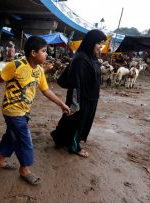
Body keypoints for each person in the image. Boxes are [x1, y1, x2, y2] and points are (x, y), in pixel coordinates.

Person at [0, 36, 71, 185]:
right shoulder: (16, 65)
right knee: (24, 139)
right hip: (12, 110)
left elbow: (46, 91)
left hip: (24, 110)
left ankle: (0, 161)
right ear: (33, 53)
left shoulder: (39, 70)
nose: (47, 55)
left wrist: (61, 104)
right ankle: (24, 170)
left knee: (11, 135)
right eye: (44, 51)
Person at [50, 29, 107, 158]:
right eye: (99, 43)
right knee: (78, 122)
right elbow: (76, 84)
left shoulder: (91, 57)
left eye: (102, 43)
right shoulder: (81, 59)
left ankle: (60, 138)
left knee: (71, 120)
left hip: (91, 96)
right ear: (91, 42)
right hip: (81, 98)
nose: (101, 46)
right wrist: (76, 104)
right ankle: (74, 146)